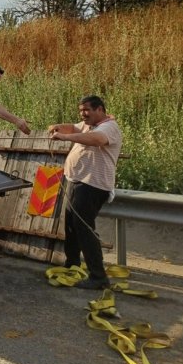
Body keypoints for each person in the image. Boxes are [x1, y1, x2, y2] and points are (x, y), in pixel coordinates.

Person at [49, 95, 122, 290]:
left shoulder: (108, 127)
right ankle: (72, 264)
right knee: (71, 226)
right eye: (81, 110)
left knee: (84, 229)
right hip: (77, 182)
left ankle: (98, 277)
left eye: (87, 110)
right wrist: (58, 127)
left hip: (93, 185)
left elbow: (96, 140)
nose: (83, 114)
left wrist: (64, 137)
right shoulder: (87, 125)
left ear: (100, 110)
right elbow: (74, 128)